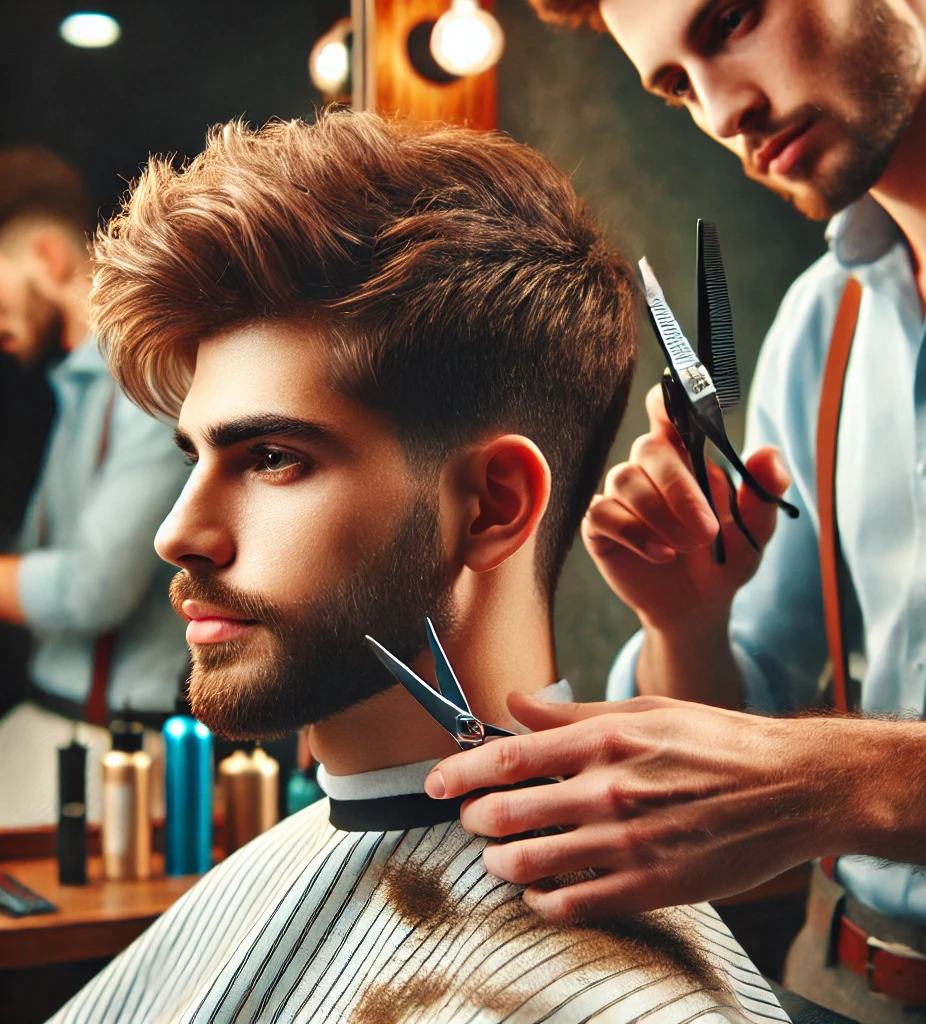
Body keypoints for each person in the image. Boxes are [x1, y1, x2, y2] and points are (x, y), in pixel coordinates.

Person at [51, 110, 788, 1024]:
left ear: (493, 506)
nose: (178, 533)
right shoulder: (298, 852)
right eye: (191, 458)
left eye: (274, 457)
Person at [418, 1, 926, 1019]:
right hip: (832, 980)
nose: (723, 109)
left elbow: (788, 776)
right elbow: (739, 741)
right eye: (673, 86)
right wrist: (684, 619)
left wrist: (826, 782)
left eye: (733, 20)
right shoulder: (818, 329)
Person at [0, 147, 190, 827]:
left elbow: (90, 589)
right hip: (48, 729)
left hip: (114, 754)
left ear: (48, 257)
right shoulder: (76, 390)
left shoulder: (144, 387)